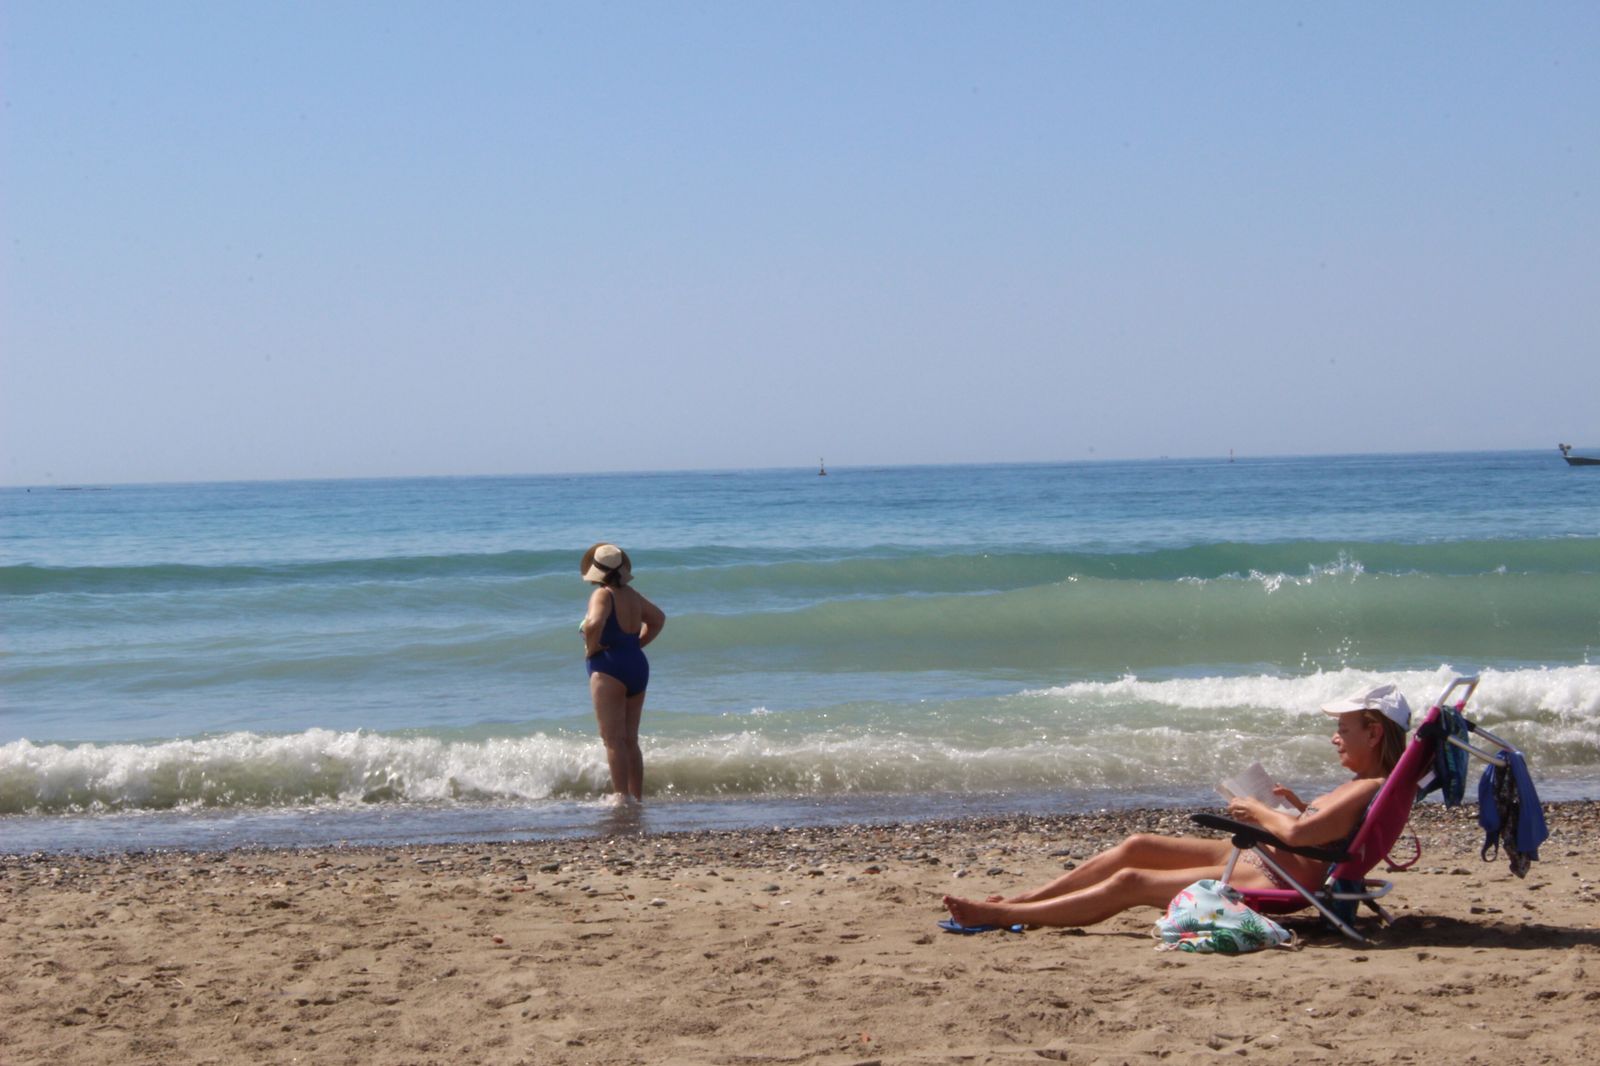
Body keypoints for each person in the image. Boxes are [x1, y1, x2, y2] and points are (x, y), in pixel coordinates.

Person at [943, 683, 1411, 930]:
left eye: (1345, 729)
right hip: (1270, 858)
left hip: (1276, 873)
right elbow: (1324, 832)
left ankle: (1006, 915)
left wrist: (1257, 810)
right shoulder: (1366, 784)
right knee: (1137, 844)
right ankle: (1029, 897)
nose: (1335, 736)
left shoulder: (1364, 785)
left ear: (1373, 733)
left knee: (1131, 881)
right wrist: (1296, 806)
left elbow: (1294, 837)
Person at [579, 543, 665, 804]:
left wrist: (591, 649)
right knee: (631, 739)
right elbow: (658, 619)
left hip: (609, 667)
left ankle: (620, 797)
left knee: (613, 739)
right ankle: (636, 797)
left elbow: (594, 623)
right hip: (636, 664)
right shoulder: (632, 594)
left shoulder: (603, 595)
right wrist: (635, 645)